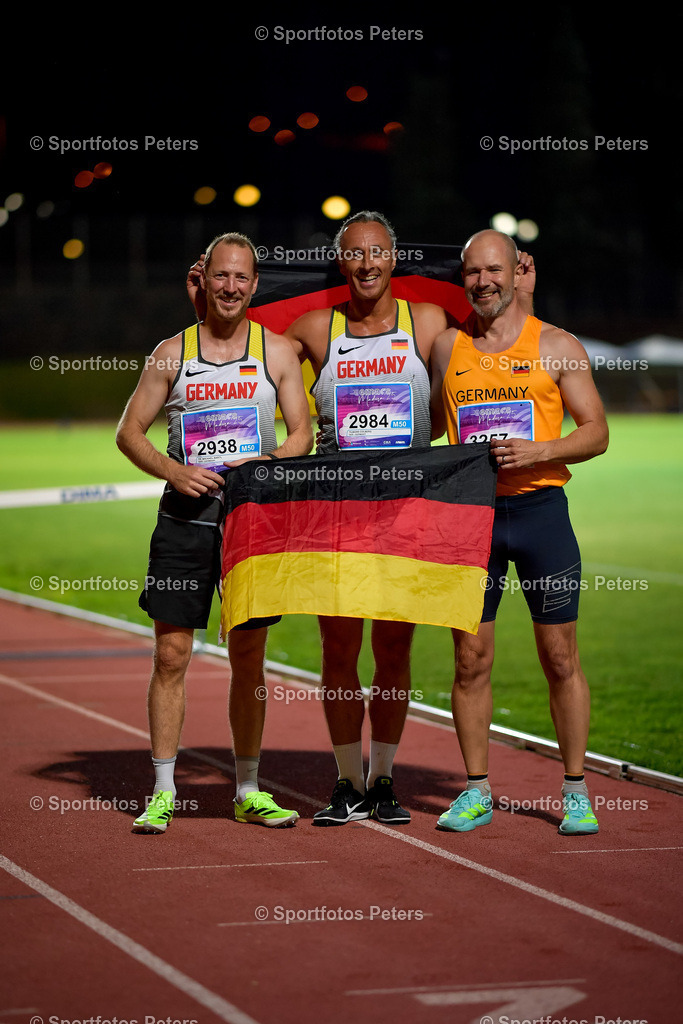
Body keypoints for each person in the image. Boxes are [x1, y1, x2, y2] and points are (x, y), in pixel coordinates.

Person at [188, 212, 536, 827]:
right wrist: (200, 306)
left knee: (394, 651)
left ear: (394, 259)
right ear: (341, 262)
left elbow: (492, 340)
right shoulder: (315, 329)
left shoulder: (427, 323)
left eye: (377, 252)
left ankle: (383, 779)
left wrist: (524, 294)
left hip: (407, 509)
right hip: (339, 511)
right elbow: (243, 352)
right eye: (355, 253)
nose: (367, 263)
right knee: (340, 650)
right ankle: (347, 780)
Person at [116, 232, 313, 834]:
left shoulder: (277, 351)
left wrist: (268, 461)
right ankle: (163, 791)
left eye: (240, 277)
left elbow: (303, 434)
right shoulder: (171, 353)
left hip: (251, 526)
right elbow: (129, 432)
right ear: (205, 280)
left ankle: (248, 790)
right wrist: (174, 471)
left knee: (249, 657)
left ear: (255, 285)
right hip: (183, 522)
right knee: (171, 654)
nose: (230, 287)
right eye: (221, 276)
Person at [429, 228, 608, 836]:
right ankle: (476, 790)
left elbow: (597, 431)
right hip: (470, 519)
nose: (483, 281)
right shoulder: (447, 346)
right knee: (469, 659)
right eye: (472, 272)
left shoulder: (556, 345)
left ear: (515, 273)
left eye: (494, 270)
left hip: (540, 514)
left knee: (560, 657)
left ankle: (576, 791)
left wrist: (540, 451)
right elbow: (431, 428)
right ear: (463, 279)